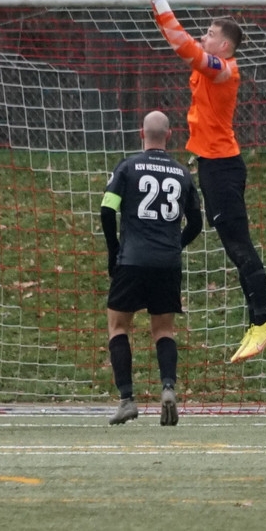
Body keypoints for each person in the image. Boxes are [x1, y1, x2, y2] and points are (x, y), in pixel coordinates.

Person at [138, 0, 266, 363]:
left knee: (239, 246)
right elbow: (180, 40)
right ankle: (256, 322)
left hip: (223, 168)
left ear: (225, 46)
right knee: (233, 245)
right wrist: (155, 1)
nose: (204, 36)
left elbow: (183, 45)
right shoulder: (211, 65)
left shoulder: (224, 70)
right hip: (214, 166)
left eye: (211, 34)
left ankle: (262, 323)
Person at [100, 111, 203, 426]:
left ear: (141, 133)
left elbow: (107, 209)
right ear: (169, 135)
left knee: (118, 326)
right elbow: (197, 222)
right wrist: (175, 245)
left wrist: (114, 250)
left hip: (131, 259)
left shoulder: (127, 167)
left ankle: (127, 400)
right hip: (166, 263)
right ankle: (168, 388)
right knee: (163, 330)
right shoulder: (182, 173)